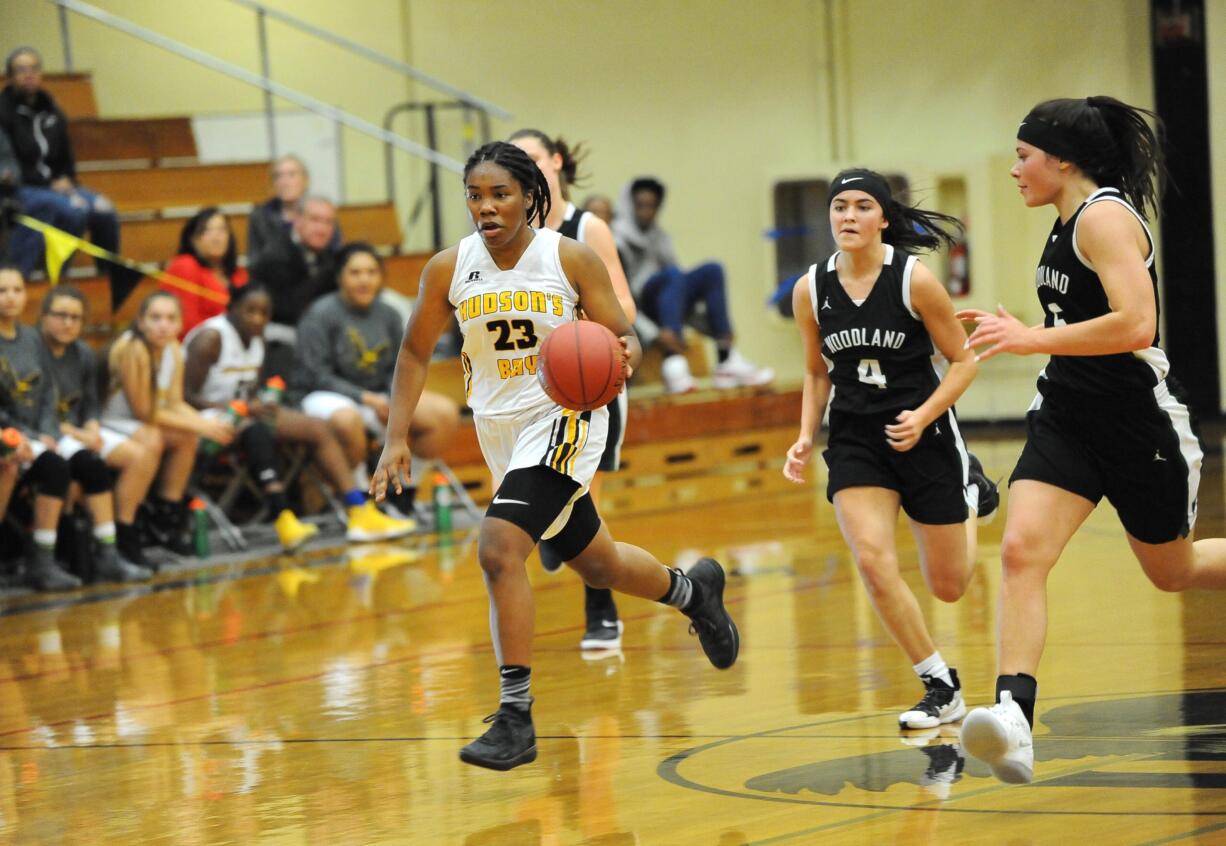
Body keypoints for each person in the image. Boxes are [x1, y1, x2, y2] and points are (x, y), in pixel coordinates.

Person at [370, 141, 741, 771]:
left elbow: (623, 335)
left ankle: (515, 715)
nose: (485, 207)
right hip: (500, 432)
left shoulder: (567, 257)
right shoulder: (448, 268)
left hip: (563, 421)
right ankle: (692, 593)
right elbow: (412, 354)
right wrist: (395, 437)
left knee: (498, 549)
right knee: (597, 566)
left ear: (530, 196)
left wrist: (622, 358)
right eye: (475, 196)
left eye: (500, 194)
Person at [957, 95, 1226, 785]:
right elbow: (1074, 319)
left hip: (1138, 426)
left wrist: (1029, 339)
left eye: (1024, 156)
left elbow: (1137, 325)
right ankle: (1014, 718)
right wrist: (1014, 328)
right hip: (1068, 417)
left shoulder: (1104, 218)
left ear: (1062, 159)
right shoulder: (1062, 221)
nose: (1015, 169)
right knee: (1020, 552)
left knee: (1173, 572)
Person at [782, 169, 999, 733]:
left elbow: (964, 360)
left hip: (923, 434)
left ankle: (970, 491)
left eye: (860, 206)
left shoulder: (914, 281)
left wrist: (925, 415)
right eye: (838, 207)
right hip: (857, 439)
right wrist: (806, 434)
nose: (847, 217)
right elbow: (814, 371)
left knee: (948, 586)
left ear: (882, 218)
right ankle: (938, 684)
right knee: (873, 561)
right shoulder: (811, 288)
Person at [510, 129, 636, 652]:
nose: (530, 172)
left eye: (535, 160)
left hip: (586, 377)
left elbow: (623, 306)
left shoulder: (589, 228)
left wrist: (584, 333)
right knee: (549, 505)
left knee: (585, 496)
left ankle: (600, 611)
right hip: (526, 385)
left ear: (556, 162)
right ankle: (553, 535)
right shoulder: (506, 236)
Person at [183, 283, 385, 546]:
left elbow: (248, 391)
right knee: (255, 431)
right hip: (202, 418)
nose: (258, 318)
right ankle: (284, 518)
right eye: (250, 311)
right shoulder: (211, 339)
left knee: (316, 427)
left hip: (241, 414)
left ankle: (358, 509)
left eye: (264, 313)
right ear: (232, 309)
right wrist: (240, 408)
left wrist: (261, 402)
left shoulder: (258, 340)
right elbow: (184, 397)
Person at [295, 242, 458, 539]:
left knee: (444, 413)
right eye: (355, 272)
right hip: (325, 396)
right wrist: (366, 399)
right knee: (347, 419)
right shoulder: (320, 314)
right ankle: (363, 502)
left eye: (371, 272)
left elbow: (401, 365)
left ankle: (403, 495)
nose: (364, 280)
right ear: (340, 277)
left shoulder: (389, 314)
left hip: (376, 396)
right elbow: (315, 374)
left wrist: (392, 400)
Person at [0, 264, 129, 590]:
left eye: (16, 289)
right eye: (2, 291)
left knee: (80, 466)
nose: (10, 298)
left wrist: (49, 432)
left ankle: (98, 555)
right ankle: (42, 559)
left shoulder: (30, 338)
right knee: (49, 468)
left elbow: (46, 395)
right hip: (12, 432)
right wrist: (24, 436)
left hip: (38, 431)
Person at [101, 291, 235, 555]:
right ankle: (125, 530)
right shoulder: (133, 348)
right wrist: (201, 425)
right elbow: (144, 411)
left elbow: (173, 402)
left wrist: (204, 424)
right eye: (155, 318)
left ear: (179, 324)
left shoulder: (174, 348)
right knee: (153, 438)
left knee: (187, 438)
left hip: (143, 421)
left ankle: (166, 520)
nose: (163, 325)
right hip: (111, 421)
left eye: (170, 318)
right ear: (141, 322)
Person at [0, 48, 136, 307]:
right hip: (23, 188)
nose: (29, 75)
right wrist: (51, 186)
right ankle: (58, 276)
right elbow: (9, 166)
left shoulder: (53, 110)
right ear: (10, 76)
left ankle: (108, 279)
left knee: (103, 209)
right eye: (21, 70)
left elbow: (67, 160)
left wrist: (69, 183)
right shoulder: (3, 112)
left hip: (58, 186)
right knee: (73, 210)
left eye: (34, 69)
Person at [39, 285, 161, 574]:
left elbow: (92, 403)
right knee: (84, 465)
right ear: (43, 316)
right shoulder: (35, 352)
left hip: (81, 430)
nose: (68, 323)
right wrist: (81, 435)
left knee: (139, 456)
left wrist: (92, 427)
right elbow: (37, 412)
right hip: (53, 432)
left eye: (75, 317)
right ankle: (74, 547)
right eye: (61, 315)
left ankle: (121, 538)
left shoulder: (83, 353)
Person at [612, 176, 774, 393]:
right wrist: (654, 333)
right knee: (672, 274)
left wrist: (714, 329)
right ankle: (674, 362)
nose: (646, 212)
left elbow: (677, 289)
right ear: (630, 205)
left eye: (652, 206)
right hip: (640, 310)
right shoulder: (616, 240)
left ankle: (726, 357)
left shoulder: (660, 237)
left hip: (665, 303)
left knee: (712, 270)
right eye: (641, 206)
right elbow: (618, 298)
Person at [248, 195, 341, 330]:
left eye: (328, 222)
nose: (322, 229)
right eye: (315, 220)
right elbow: (288, 311)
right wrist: (325, 275)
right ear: (297, 220)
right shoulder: (275, 256)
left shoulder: (330, 257)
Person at [162, 207, 249, 339]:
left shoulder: (239, 273)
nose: (216, 237)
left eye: (222, 230)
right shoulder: (185, 265)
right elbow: (187, 324)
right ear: (193, 239)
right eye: (207, 231)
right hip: (197, 349)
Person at [246, 154, 342, 265]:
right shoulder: (260, 216)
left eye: (291, 175)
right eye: (278, 176)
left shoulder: (321, 211)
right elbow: (255, 260)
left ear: (305, 180)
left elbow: (335, 253)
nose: (284, 182)